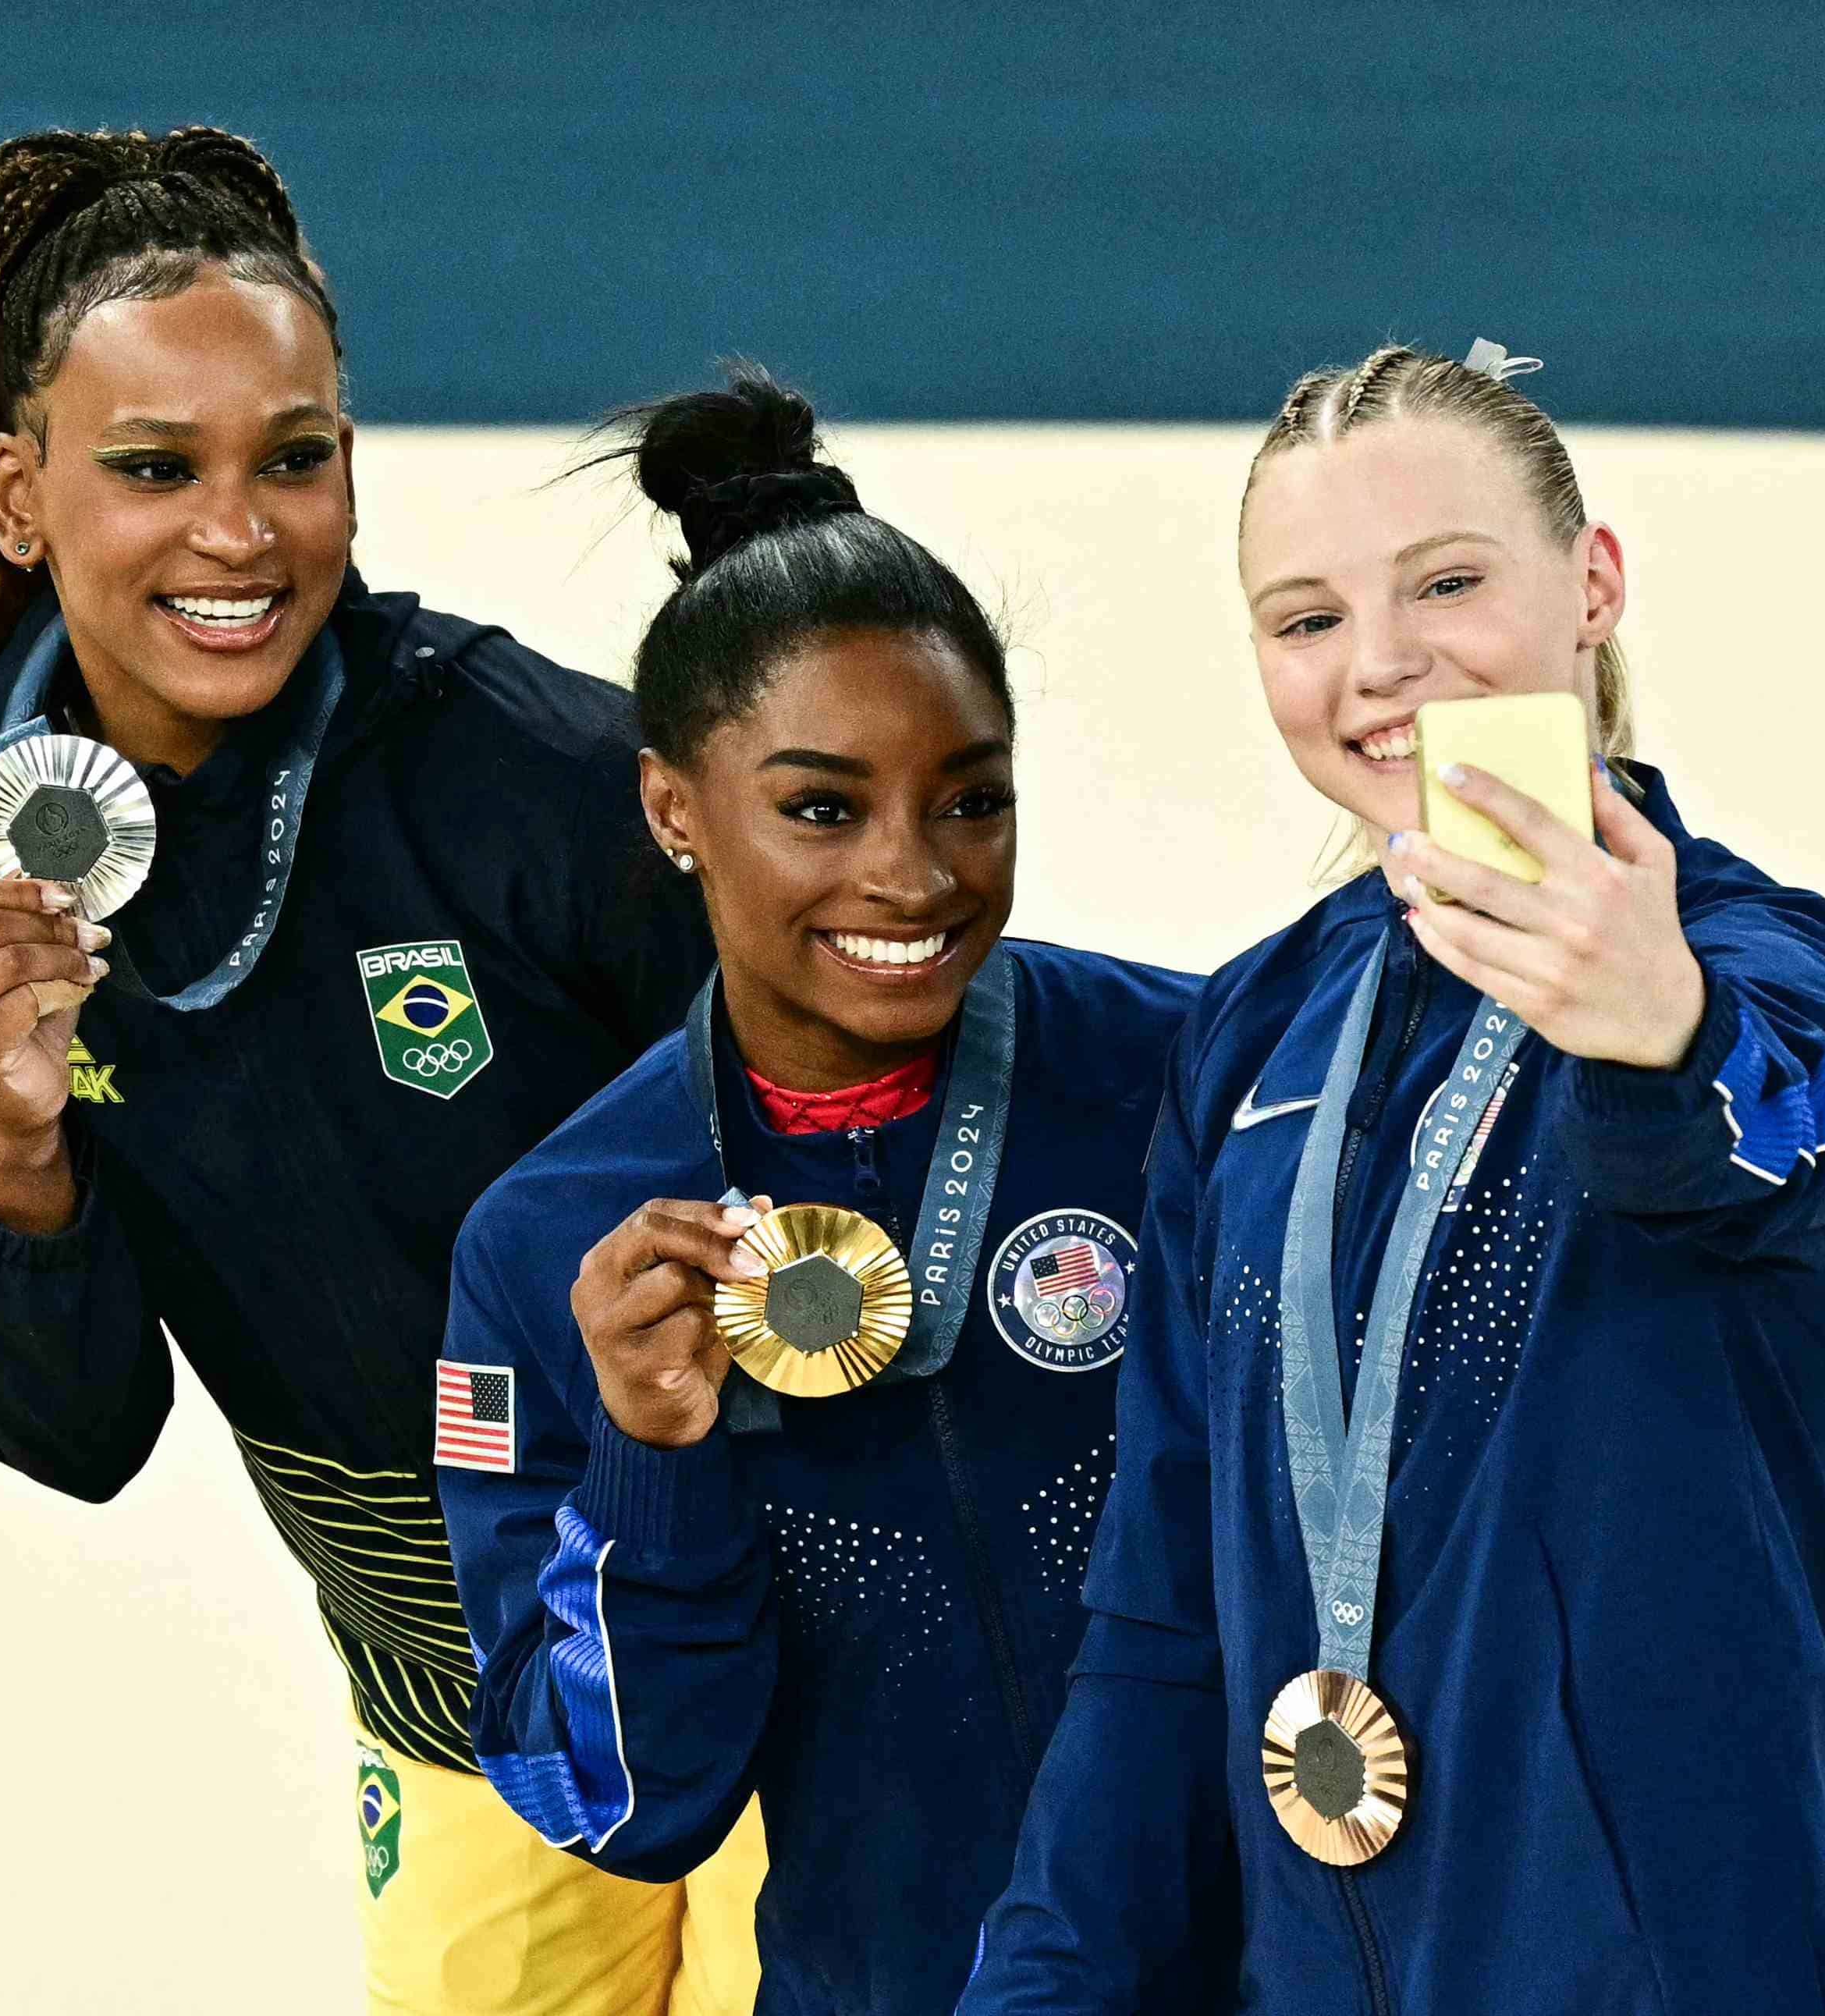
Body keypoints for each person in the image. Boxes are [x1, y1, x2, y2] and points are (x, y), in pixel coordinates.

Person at [0, 126, 762, 2015]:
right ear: (17, 494)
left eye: (291, 459)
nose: (239, 533)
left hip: (757, 1635)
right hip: (453, 1701)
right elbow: (76, 1433)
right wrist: (16, 1142)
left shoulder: (544, 781)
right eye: (155, 468)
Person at [960, 341, 1825, 2013]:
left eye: (1447, 583)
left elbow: (1759, 1145)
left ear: (1591, 583)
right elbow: (1163, 1604)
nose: (1381, 666)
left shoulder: (1770, 969)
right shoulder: (1257, 1030)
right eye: (1306, 618)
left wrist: (1657, 1032)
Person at [431, 370, 1219, 2016]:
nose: (915, 875)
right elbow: (619, 1801)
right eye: (820, 808)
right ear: (673, 810)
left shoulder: (1189, 1078)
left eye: (971, 799)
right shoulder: (556, 1243)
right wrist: (653, 1463)